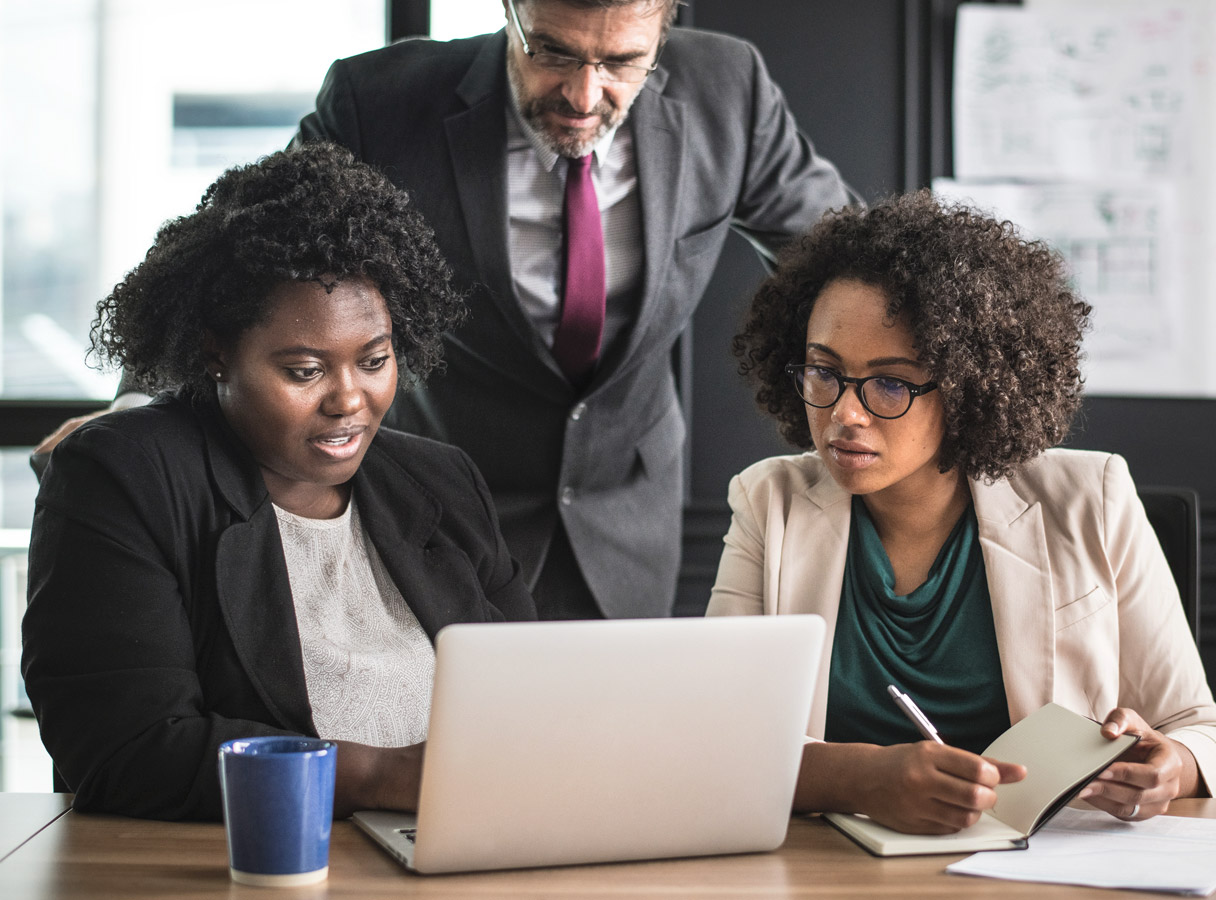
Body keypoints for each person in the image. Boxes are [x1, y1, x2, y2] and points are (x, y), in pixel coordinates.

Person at [287, 0, 854, 619]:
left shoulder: (728, 87)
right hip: (435, 507)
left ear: (663, 32)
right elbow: (261, 271)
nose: (585, 96)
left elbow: (849, 261)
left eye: (622, 62)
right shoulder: (376, 101)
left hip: (626, 512)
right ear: (510, 11)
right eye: (553, 51)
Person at [21, 142, 536, 821]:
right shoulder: (124, 476)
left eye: (374, 359)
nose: (349, 399)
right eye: (304, 371)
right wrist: (380, 774)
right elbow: (128, 751)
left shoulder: (440, 481)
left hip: (456, 854)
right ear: (216, 353)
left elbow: (534, 703)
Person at [709, 190, 1216, 834]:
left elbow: (1198, 728)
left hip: (1048, 870)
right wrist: (861, 776)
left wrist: (1172, 766)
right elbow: (717, 744)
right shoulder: (767, 503)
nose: (844, 413)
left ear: (970, 387)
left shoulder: (1093, 497)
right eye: (823, 372)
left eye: (890, 383)